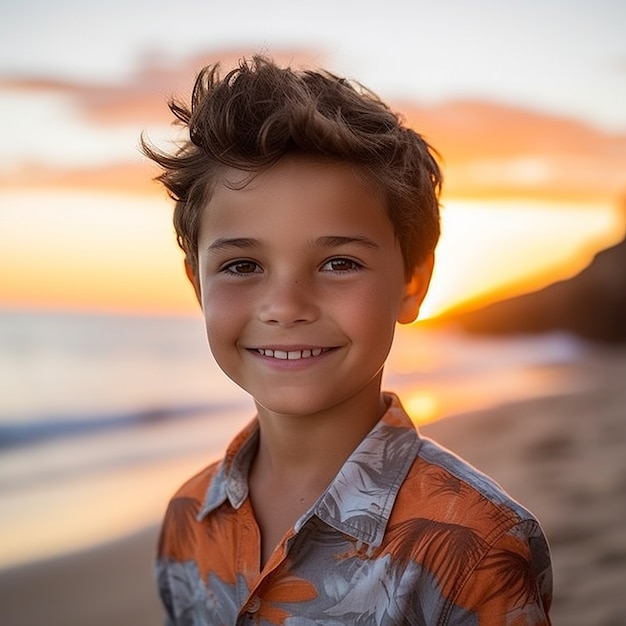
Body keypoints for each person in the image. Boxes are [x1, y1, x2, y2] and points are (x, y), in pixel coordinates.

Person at [142, 55, 552, 625]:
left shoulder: (477, 546)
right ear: (198, 285)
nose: (285, 307)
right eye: (241, 266)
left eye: (338, 262)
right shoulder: (188, 516)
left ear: (413, 283)